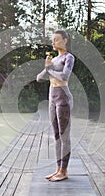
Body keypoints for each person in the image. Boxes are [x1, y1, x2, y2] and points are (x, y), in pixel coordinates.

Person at [36, 30, 74, 182]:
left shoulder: (68, 57)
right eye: (53, 40)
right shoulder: (54, 60)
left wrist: (49, 70)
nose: (54, 42)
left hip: (63, 98)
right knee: (57, 136)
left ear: (65, 41)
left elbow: (64, 76)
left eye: (57, 40)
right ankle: (58, 169)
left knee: (64, 136)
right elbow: (38, 78)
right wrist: (47, 67)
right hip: (52, 99)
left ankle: (64, 171)